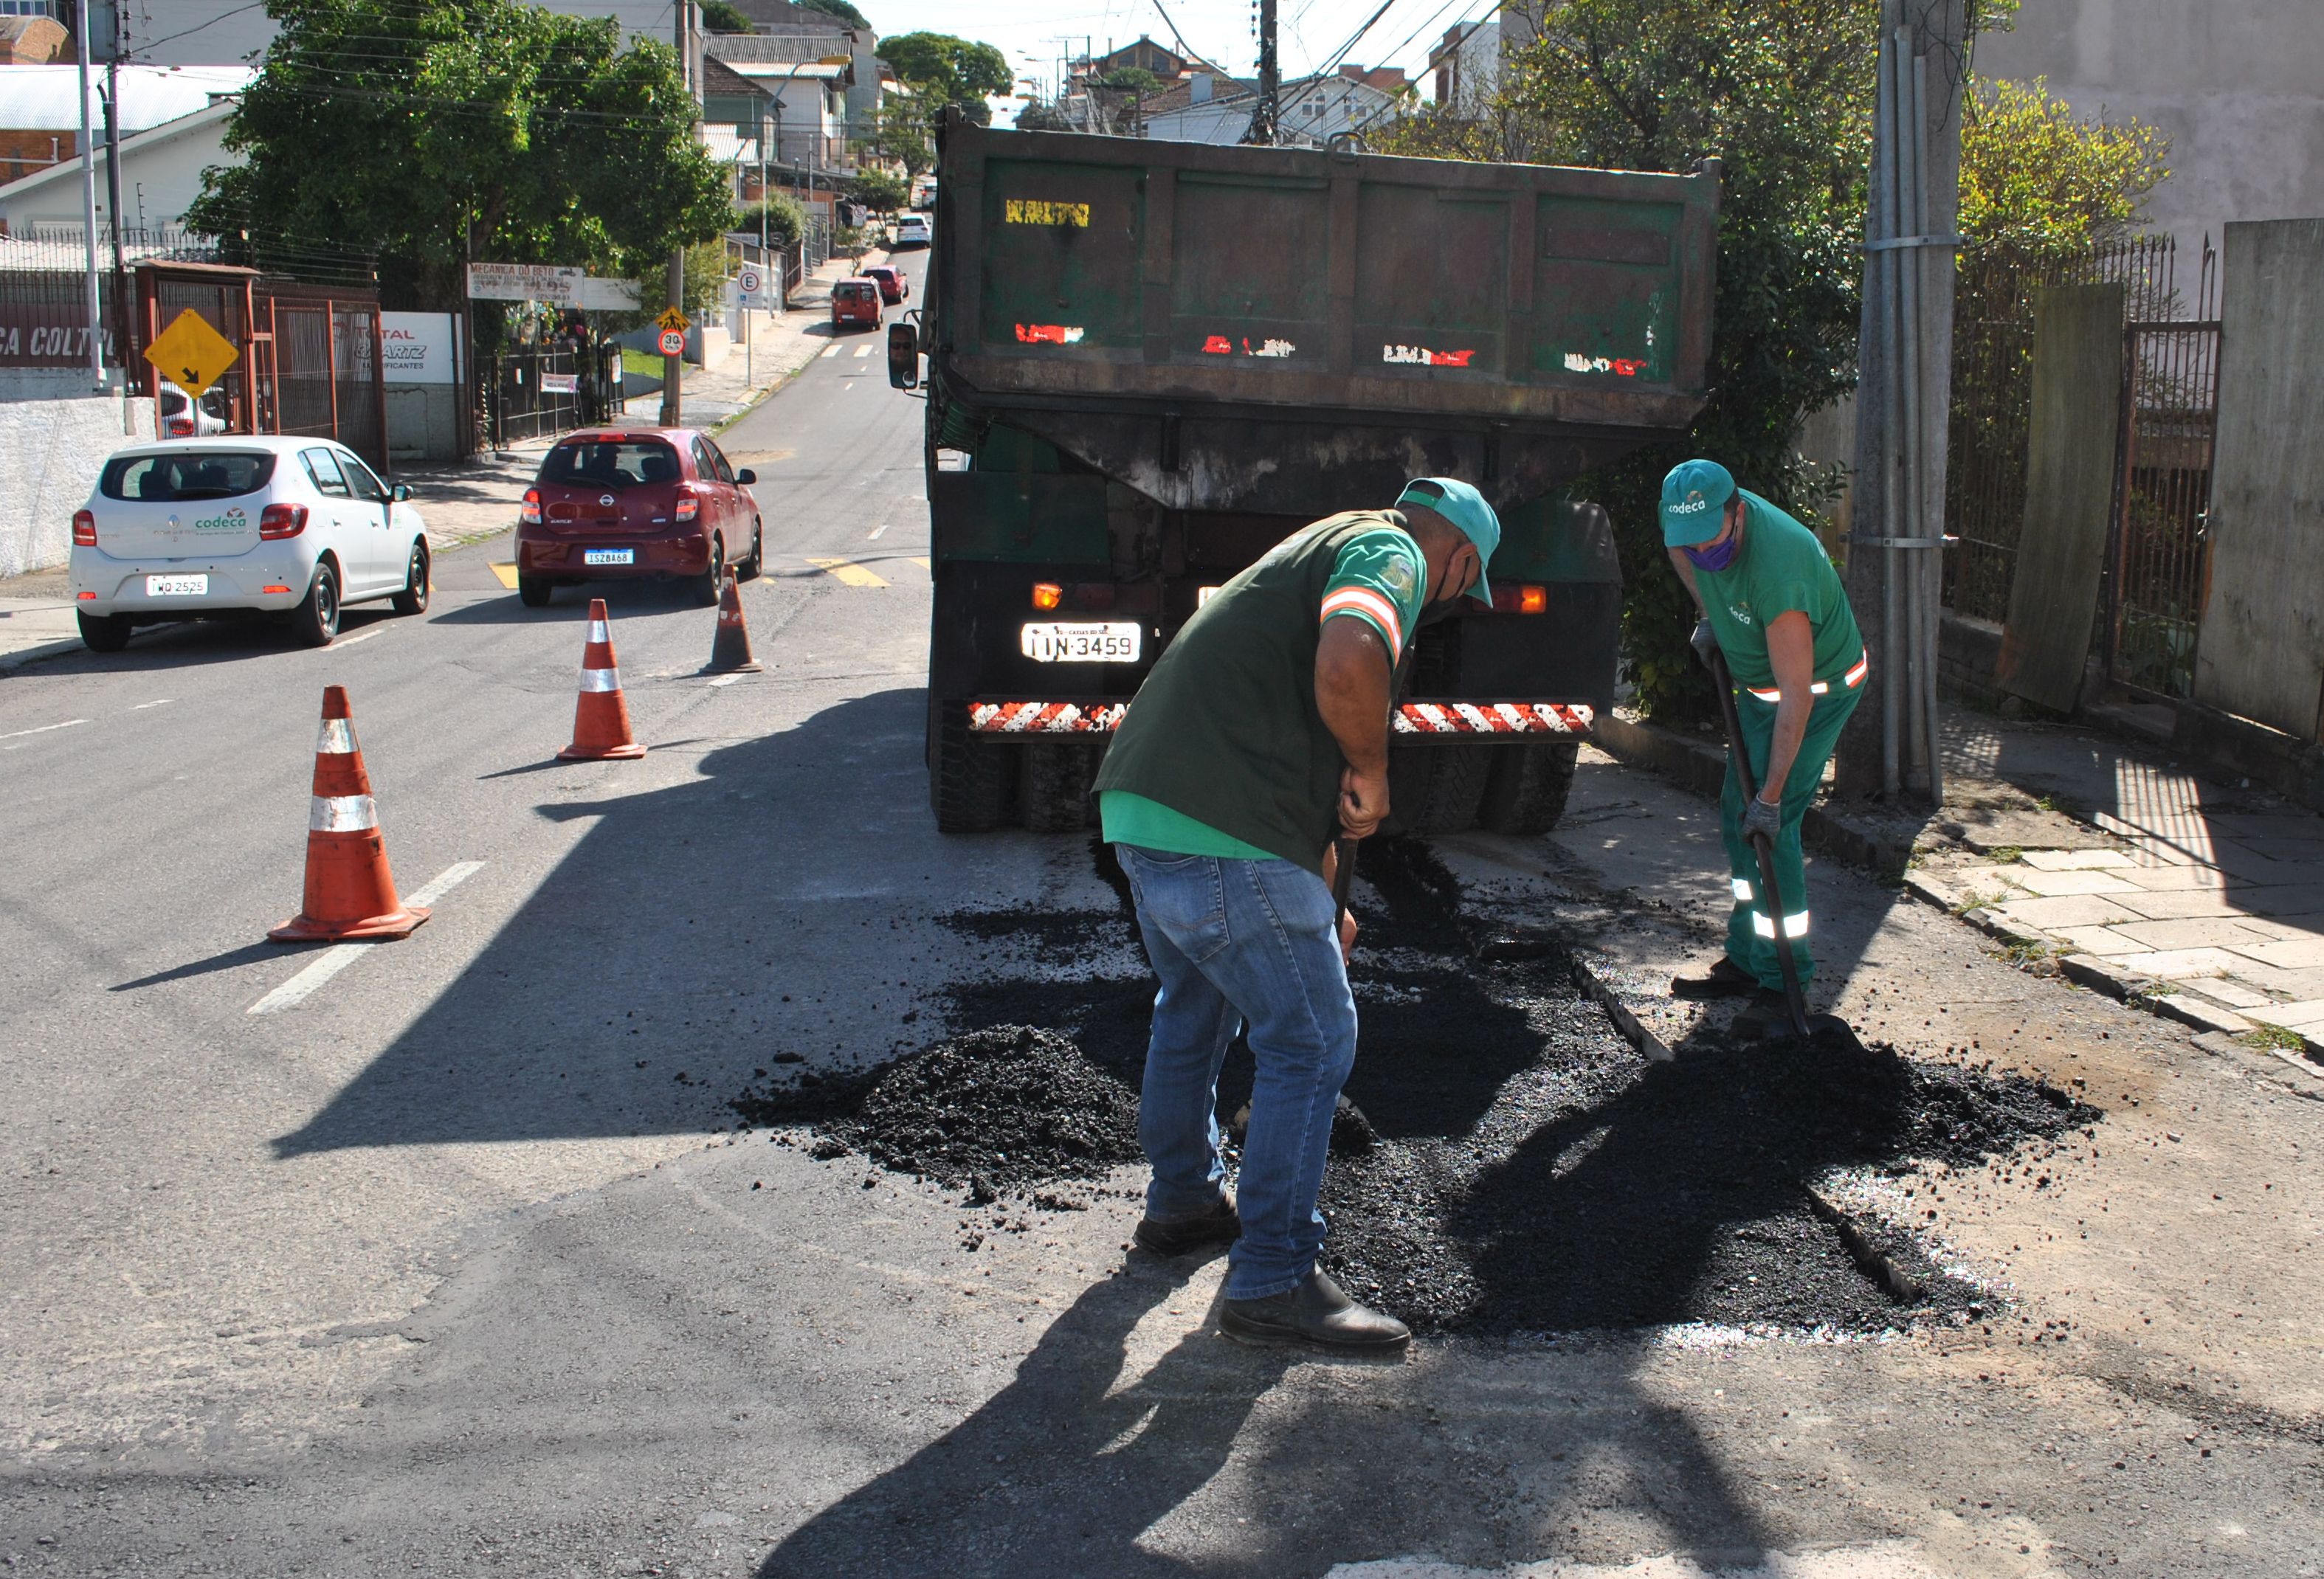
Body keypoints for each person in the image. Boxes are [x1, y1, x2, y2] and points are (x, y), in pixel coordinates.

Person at [1090, 477, 1500, 1352]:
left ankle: (1182, 1203)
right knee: (1311, 1038)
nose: (1451, 602)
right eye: (1465, 586)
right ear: (1461, 559)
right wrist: (1375, 768)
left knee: (1195, 1004)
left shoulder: (1322, 540)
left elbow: (1291, 741)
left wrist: (1319, 897)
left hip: (1146, 808)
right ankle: (1272, 1278)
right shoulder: (1391, 552)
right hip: (1220, 830)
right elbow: (1347, 664)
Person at [1659, 458, 1867, 1012]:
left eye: (1711, 541)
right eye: (1691, 542)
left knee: (1769, 831)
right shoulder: (1687, 526)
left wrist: (1771, 798)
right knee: (1737, 819)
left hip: (1816, 693)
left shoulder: (1780, 571)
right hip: (1759, 690)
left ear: (1739, 513)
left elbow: (1797, 696)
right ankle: (1748, 958)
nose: (1702, 552)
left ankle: (1783, 980)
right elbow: (1679, 549)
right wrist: (1709, 612)